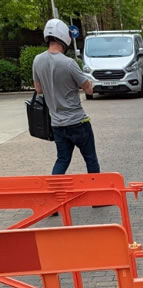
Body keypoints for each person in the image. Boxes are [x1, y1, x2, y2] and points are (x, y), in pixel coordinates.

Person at [32, 19, 100, 176]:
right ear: (64, 37)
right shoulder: (69, 63)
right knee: (90, 160)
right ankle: (98, 199)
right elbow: (89, 90)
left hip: (57, 124)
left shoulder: (37, 61)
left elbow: (39, 89)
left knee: (62, 160)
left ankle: (55, 195)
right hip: (78, 122)